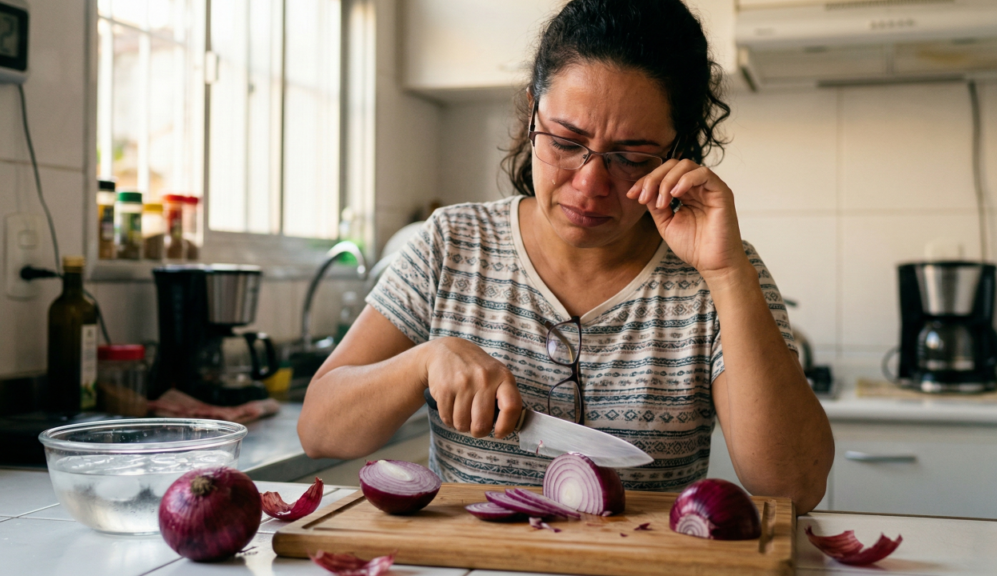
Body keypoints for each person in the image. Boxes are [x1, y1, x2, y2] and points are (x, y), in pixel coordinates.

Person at [299, 0, 834, 513]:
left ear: (678, 153)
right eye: (565, 140)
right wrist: (422, 360)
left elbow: (795, 486)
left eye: (631, 157)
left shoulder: (720, 270)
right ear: (533, 111)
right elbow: (319, 429)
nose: (590, 183)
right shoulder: (451, 245)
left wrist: (724, 273)